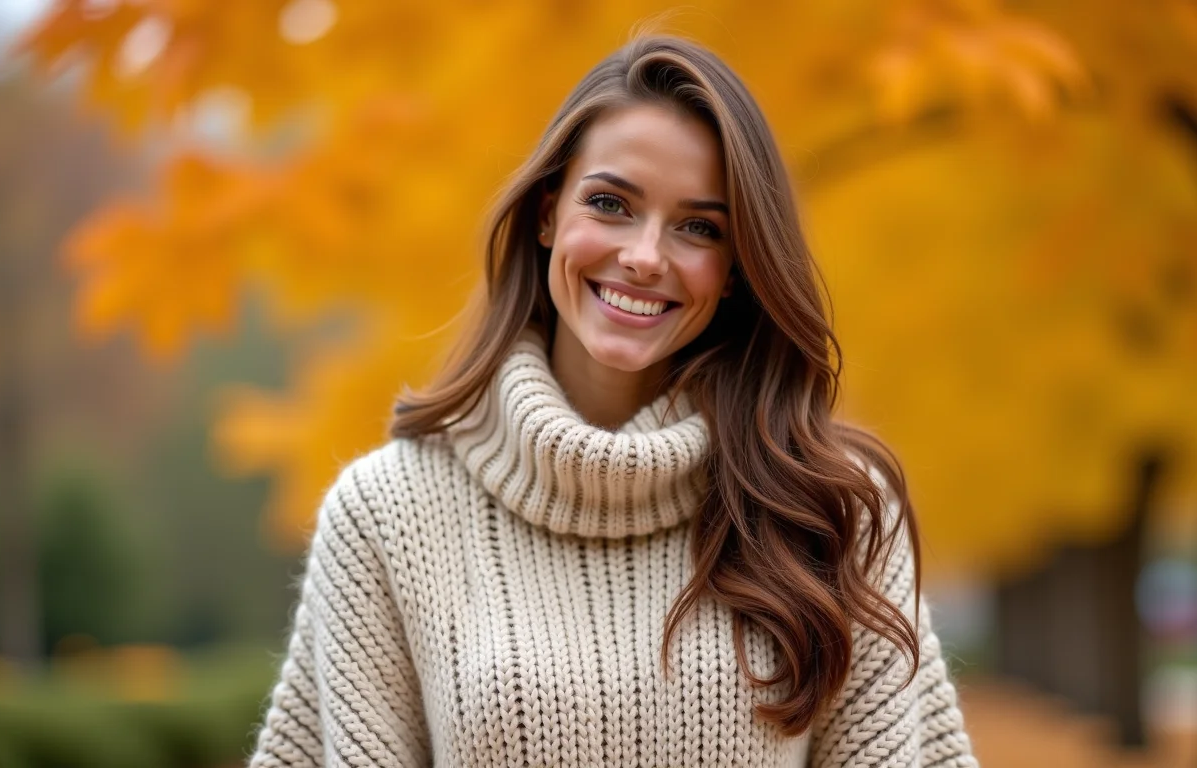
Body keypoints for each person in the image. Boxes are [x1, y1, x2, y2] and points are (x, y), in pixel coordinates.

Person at [247, 33, 977, 768]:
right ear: (546, 213)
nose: (645, 257)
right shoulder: (388, 514)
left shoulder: (833, 511)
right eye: (610, 203)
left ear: (734, 269)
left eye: (699, 228)